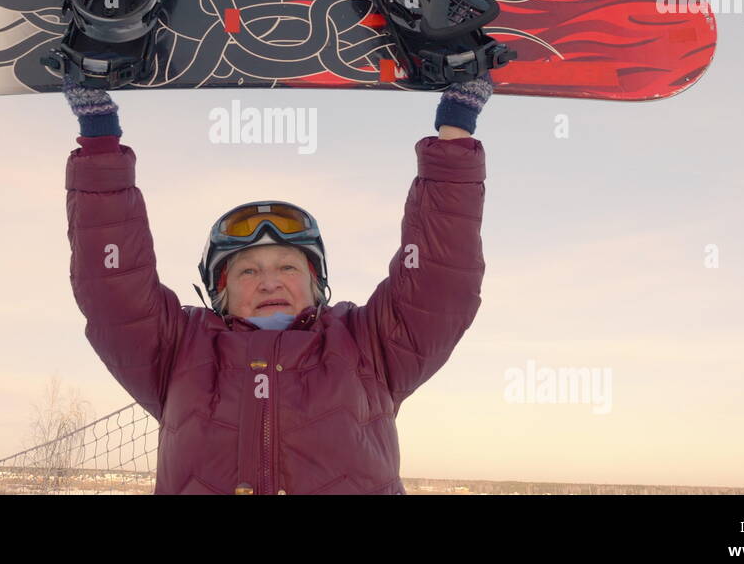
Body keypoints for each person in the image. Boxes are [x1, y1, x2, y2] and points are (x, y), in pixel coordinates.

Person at [61, 76, 490, 494]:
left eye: (288, 266)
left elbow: (438, 276)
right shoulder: (177, 350)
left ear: (317, 283)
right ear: (219, 295)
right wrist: (100, 142)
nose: (269, 282)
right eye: (247, 271)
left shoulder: (370, 345)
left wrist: (454, 134)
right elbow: (112, 287)